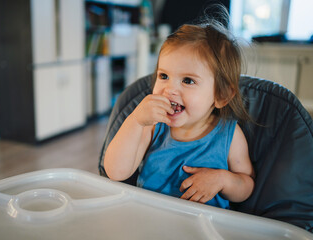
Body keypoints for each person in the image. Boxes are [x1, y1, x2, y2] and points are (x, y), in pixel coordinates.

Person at [104, 19, 255, 209]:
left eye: (188, 81)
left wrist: (223, 180)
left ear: (221, 96)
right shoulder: (152, 126)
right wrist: (135, 121)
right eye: (163, 76)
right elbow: (115, 172)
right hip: (150, 217)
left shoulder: (230, 135)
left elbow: (247, 185)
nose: (169, 89)